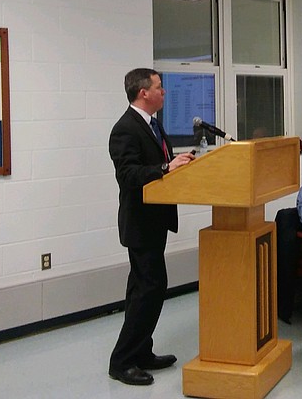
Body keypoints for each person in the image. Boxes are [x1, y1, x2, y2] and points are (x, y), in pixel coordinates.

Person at [107, 68, 195, 386]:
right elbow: (128, 175)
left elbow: (160, 165)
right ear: (144, 92)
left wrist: (177, 163)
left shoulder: (153, 125)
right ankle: (121, 361)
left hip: (154, 221)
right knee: (149, 289)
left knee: (142, 289)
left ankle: (142, 352)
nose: (164, 92)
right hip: (140, 224)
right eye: (159, 87)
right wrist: (164, 167)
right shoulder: (125, 129)